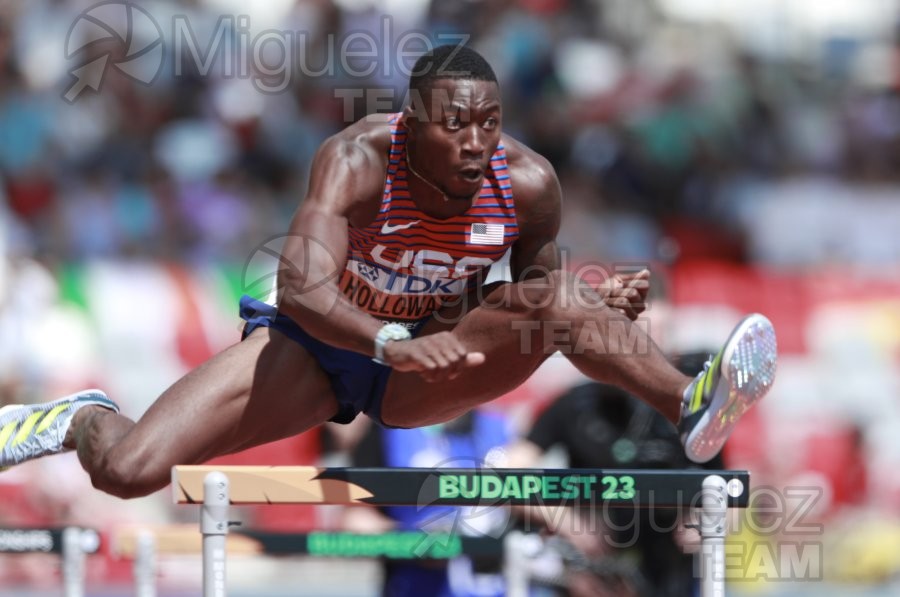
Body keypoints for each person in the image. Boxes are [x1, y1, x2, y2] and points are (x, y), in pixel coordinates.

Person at [0, 45, 777, 500]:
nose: (477, 146)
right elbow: (305, 291)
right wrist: (386, 339)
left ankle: (690, 399)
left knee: (560, 297)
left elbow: (525, 288)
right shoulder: (358, 160)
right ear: (411, 125)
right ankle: (78, 416)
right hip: (316, 344)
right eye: (456, 126)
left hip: (425, 360)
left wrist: (599, 306)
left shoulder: (530, 182)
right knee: (130, 471)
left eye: (490, 124)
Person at [507, 353, 725, 597]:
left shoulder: (691, 415)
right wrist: (565, 520)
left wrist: (706, 523)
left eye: (649, 336)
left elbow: (732, 491)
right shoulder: (575, 405)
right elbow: (507, 476)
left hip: (667, 573)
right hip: (588, 574)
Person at [343, 410, 512, 597]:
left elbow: (532, 505)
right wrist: (413, 542)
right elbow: (355, 519)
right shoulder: (386, 430)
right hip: (413, 583)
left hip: (495, 584)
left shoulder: (502, 430)